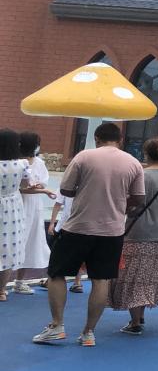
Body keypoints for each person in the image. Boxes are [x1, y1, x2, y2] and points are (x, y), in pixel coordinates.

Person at [32, 123, 146, 345]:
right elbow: (139, 197)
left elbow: (65, 190)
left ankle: (57, 325)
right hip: (112, 231)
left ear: (97, 138)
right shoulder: (133, 163)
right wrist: (122, 204)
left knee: (56, 273)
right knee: (101, 279)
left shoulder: (83, 157)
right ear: (120, 140)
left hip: (79, 227)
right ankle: (89, 332)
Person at [110, 138, 158, 334]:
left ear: (146, 154)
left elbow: (128, 203)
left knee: (133, 276)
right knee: (148, 275)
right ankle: (140, 315)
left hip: (137, 233)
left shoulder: (140, 175)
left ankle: (135, 321)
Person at [2, 129, 53, 301]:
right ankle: (4, 287)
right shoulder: (19, 164)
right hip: (16, 205)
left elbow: (37, 183)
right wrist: (42, 190)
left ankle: (18, 281)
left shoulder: (36, 163)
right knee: (12, 243)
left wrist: (39, 188)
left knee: (27, 242)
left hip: (28, 205)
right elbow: (27, 186)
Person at [47, 195, 86, 292]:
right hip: (74, 226)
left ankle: (75, 282)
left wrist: (52, 223)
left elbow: (58, 204)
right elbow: (58, 204)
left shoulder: (67, 186)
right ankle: (76, 282)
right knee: (77, 255)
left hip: (70, 227)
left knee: (59, 256)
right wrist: (52, 223)